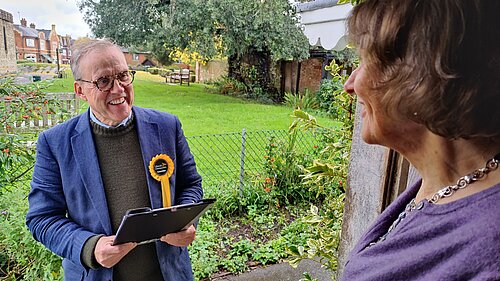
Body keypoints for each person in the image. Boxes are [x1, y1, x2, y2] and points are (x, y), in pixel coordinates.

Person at [341, 0, 500, 280]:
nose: (350, 84)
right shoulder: (441, 182)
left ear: (419, 76)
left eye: (365, 62)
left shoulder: (489, 251)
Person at [26, 39, 203, 281]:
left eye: (122, 76)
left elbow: (190, 185)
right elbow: (42, 218)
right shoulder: (55, 143)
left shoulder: (166, 126)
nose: (118, 88)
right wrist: (89, 247)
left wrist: (185, 223)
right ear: (80, 91)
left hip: (169, 274)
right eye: (103, 81)